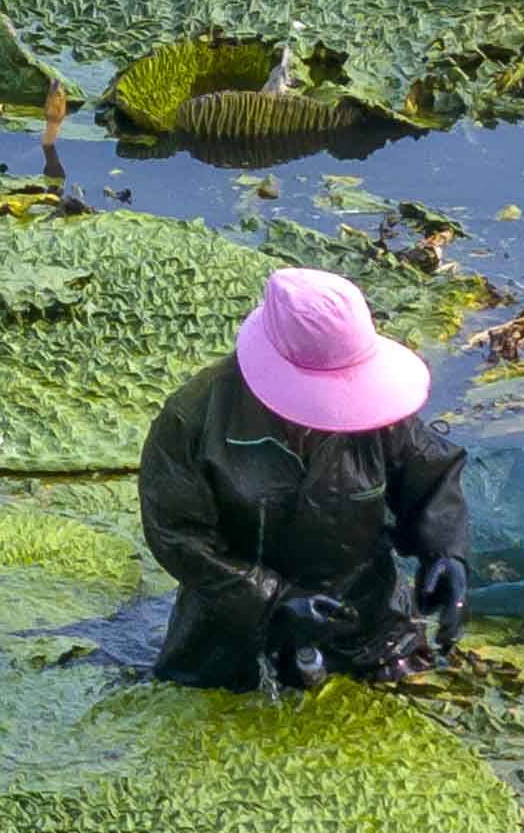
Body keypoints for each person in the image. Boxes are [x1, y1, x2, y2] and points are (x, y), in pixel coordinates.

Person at [139, 265, 466, 691]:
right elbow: (177, 534)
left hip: (365, 616)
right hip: (229, 626)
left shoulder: (380, 413)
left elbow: (432, 477)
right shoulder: (195, 417)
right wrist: (274, 601)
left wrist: (447, 553)